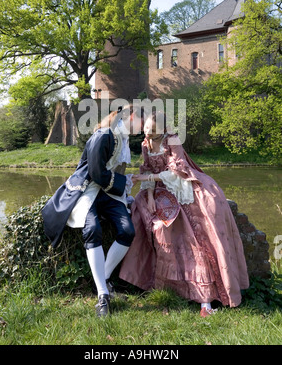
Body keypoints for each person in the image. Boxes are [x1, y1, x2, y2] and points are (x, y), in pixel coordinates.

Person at [119, 111, 249, 317]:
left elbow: (178, 171)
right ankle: (161, 288)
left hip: (181, 185)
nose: (148, 134)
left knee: (195, 236)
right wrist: (151, 195)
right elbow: (145, 167)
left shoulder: (172, 140)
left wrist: (149, 178)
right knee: (145, 216)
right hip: (159, 187)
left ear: (163, 129)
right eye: (146, 129)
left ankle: (205, 301)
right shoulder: (145, 144)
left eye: (153, 131)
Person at [42, 105, 142, 317]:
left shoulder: (123, 139)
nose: (143, 127)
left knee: (127, 231)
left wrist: (123, 188)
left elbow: (114, 172)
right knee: (93, 228)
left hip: (108, 193)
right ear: (131, 117)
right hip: (87, 189)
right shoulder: (104, 135)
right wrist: (122, 182)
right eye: (141, 121)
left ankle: (102, 280)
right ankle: (102, 295)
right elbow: (96, 173)